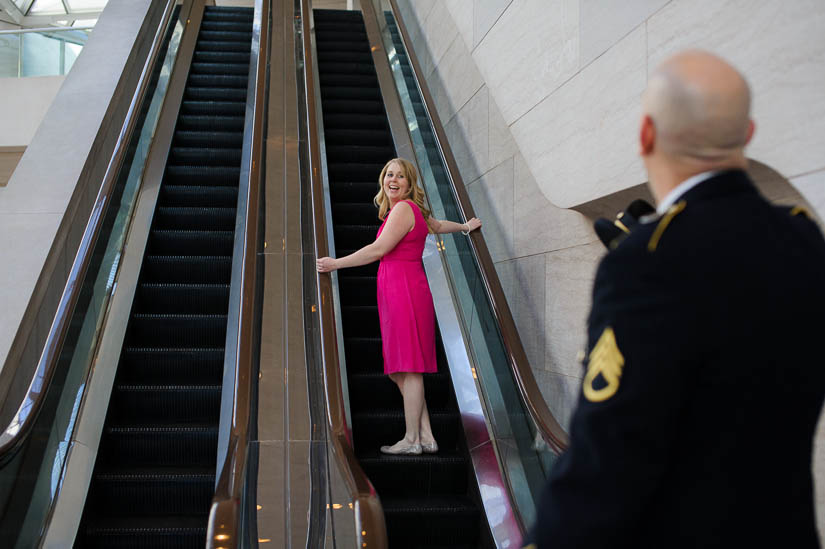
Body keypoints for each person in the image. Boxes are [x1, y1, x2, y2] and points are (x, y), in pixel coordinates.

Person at [527, 50, 825, 548]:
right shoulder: (805, 242)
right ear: (748, 135)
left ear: (645, 135)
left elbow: (606, 459)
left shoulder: (648, 260)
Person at [317, 157, 481, 455]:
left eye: (400, 176)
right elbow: (437, 224)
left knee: (409, 366)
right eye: (388, 174)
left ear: (409, 184)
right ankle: (427, 436)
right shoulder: (410, 211)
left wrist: (335, 263)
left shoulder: (404, 209)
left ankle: (411, 440)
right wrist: (464, 227)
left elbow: (379, 249)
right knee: (400, 370)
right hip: (400, 288)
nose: (393, 179)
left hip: (403, 288)